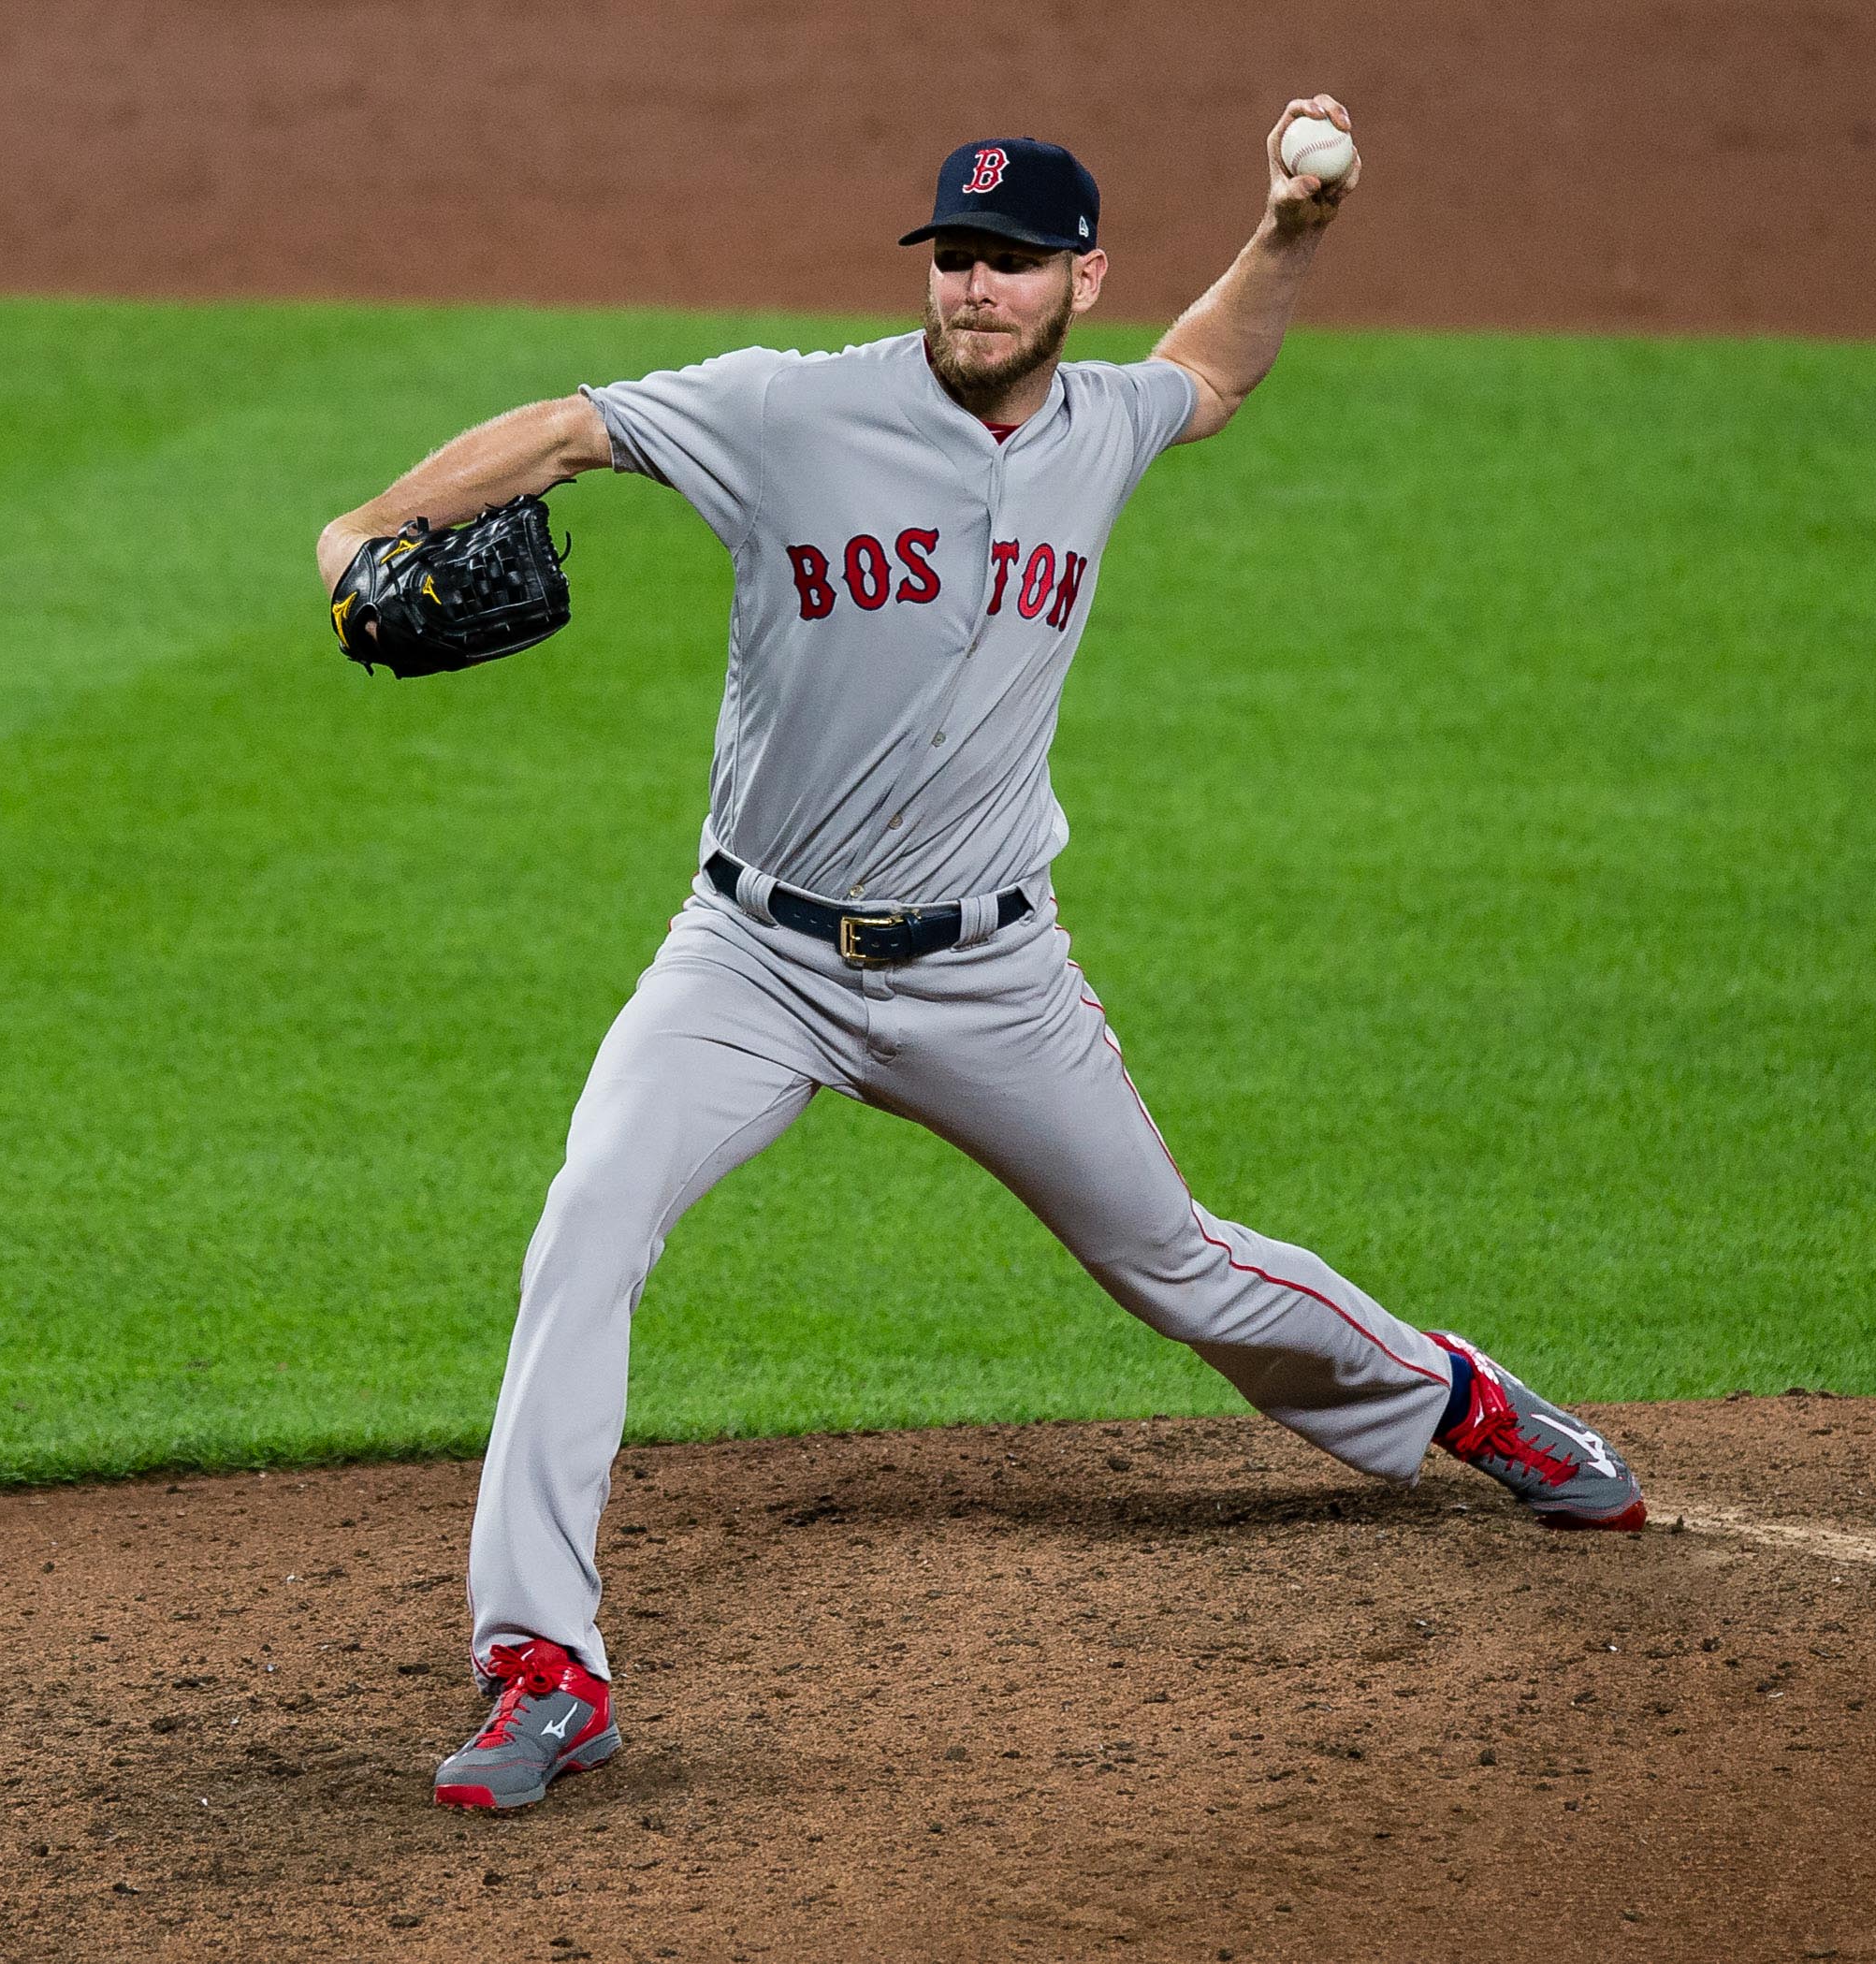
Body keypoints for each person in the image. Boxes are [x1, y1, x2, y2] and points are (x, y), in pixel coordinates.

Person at [313, 101, 1648, 1817]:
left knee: (1176, 1261)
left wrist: (1295, 231)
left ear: (1079, 277)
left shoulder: (1101, 423)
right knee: (587, 1224)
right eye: (956, 255)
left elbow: (1212, 377)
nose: (977, 285)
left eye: (1015, 262)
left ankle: (1455, 1402)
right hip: (753, 955)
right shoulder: (793, 408)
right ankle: (542, 1664)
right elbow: (570, 431)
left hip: (987, 979)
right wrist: (363, 527)